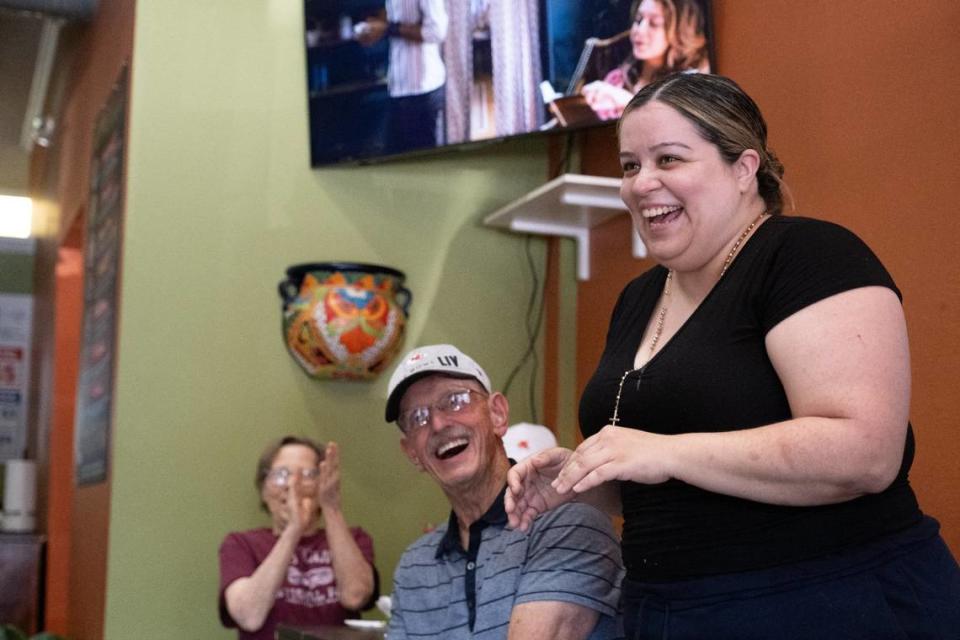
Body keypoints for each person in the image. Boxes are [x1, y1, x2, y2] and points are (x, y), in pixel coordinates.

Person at [507, 73, 960, 639]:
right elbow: (680, 476)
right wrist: (586, 477)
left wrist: (663, 451)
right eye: (629, 165)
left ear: (743, 168)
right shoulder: (639, 297)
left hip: (830, 603)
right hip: (670, 611)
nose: (642, 183)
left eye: (669, 159)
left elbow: (866, 453)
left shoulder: (808, 256)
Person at [383, 344, 623, 639]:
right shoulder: (413, 567)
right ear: (412, 453)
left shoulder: (568, 522)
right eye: (417, 418)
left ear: (497, 414)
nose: (438, 423)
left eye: (455, 401)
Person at [218, 436, 378, 640]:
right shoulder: (240, 544)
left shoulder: (354, 538)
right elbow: (249, 616)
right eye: (282, 474)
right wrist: (294, 529)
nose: (294, 486)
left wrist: (331, 508)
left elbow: (355, 596)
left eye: (308, 474)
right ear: (264, 489)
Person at [582, 0, 709, 120]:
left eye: (653, 23)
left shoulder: (689, 84)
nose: (640, 30)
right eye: (638, 20)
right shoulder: (616, 80)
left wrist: (627, 102)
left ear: (678, 32)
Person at [357, 0, 448, 154]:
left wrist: (388, 28)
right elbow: (397, 19)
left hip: (423, 88)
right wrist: (376, 29)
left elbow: (437, 31)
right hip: (398, 87)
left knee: (424, 165)